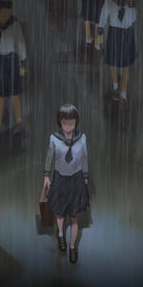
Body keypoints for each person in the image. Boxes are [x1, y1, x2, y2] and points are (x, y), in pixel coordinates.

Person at [42, 104, 89, 263]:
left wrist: (85, 176)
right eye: (65, 122)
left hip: (76, 180)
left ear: (76, 122)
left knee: (74, 217)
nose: (68, 126)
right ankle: (60, 234)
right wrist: (46, 175)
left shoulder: (82, 138)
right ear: (60, 122)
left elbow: (84, 157)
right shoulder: (54, 138)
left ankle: (72, 246)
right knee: (60, 213)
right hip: (61, 179)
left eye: (71, 122)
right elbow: (49, 157)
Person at [0, 1, 27, 139]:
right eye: (4, 11)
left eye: (9, 11)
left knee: (14, 94)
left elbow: (20, 44)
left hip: (11, 61)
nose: (7, 14)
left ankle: (18, 121)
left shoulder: (15, 25)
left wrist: (23, 64)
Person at [97, 0, 137, 103]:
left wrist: (131, 4)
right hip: (114, 33)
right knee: (112, 62)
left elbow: (133, 19)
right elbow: (103, 15)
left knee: (125, 66)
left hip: (127, 34)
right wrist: (100, 30)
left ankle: (124, 92)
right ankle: (115, 84)